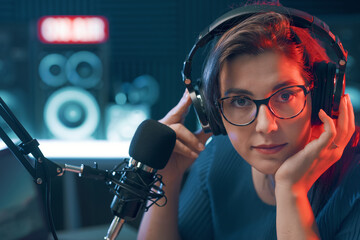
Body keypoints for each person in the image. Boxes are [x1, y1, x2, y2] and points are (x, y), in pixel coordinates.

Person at [137, 2, 360, 240]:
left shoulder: (354, 180)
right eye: (240, 101)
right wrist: (167, 178)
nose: (266, 126)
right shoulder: (218, 157)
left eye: (285, 95)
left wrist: (291, 191)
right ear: (212, 110)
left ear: (322, 96)